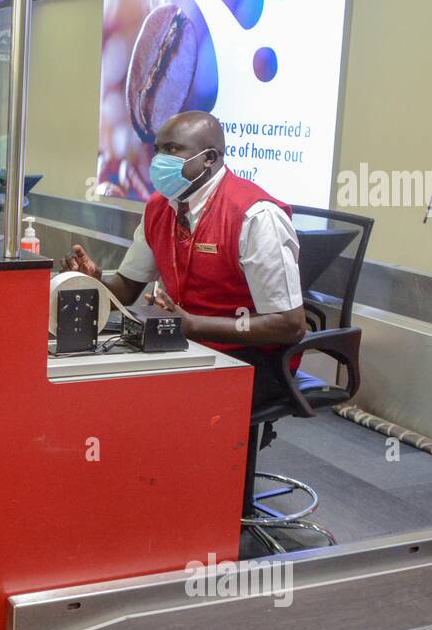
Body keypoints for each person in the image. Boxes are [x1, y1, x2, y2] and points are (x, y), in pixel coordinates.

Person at [62, 111, 305, 408]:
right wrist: (95, 283)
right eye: (158, 150)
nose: (159, 160)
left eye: (172, 150)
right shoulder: (159, 207)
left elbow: (289, 325)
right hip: (181, 343)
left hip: (252, 357)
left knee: (154, 405)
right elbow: (126, 287)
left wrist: (194, 326)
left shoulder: (255, 216)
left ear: (209, 158)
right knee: (101, 388)